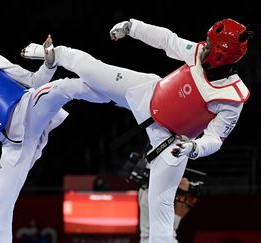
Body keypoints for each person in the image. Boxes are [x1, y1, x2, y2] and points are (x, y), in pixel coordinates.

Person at [21, 18, 252, 242]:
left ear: (221, 53)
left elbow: (216, 139)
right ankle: (56, 54)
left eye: (210, 44)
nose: (205, 45)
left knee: (160, 213)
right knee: (92, 72)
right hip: (148, 93)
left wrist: (194, 148)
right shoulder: (198, 53)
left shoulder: (232, 97)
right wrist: (133, 27)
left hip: (173, 144)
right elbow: (167, 40)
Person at [0, 12, 110, 243]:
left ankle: (119, 93)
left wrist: (48, 63)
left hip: (28, 111)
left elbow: (35, 82)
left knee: (63, 88)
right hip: (13, 146)